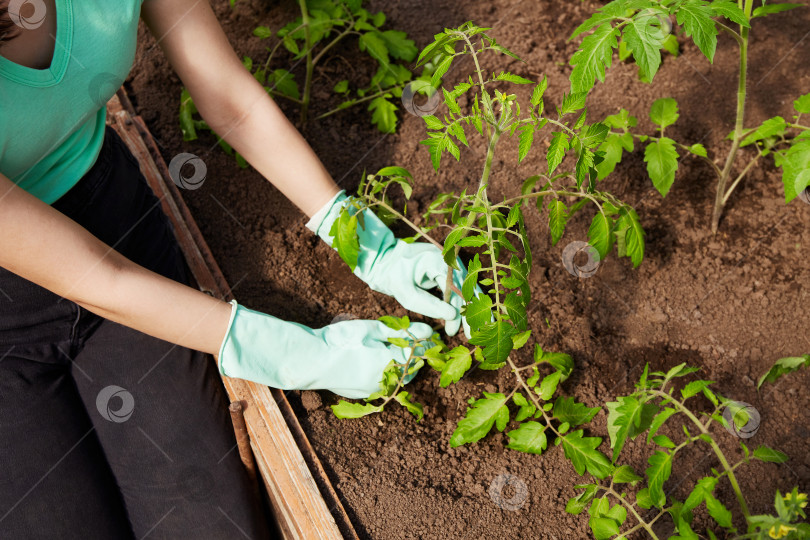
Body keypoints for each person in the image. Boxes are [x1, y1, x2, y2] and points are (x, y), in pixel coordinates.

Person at [0, 0, 469, 538]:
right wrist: (295, 354)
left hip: (118, 235)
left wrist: (364, 241)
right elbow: (93, 279)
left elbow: (229, 96)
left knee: (207, 522)